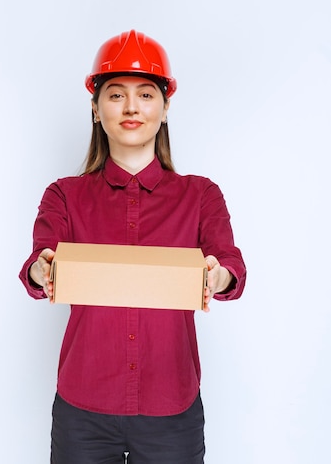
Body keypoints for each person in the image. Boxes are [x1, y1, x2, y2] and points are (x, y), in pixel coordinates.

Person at [19, 29, 247, 464]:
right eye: (116, 94)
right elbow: (39, 258)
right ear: (95, 107)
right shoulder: (64, 195)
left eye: (145, 94)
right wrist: (41, 269)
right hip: (82, 409)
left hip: (172, 409)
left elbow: (231, 264)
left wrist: (219, 275)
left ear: (164, 109)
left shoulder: (201, 196)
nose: (131, 108)